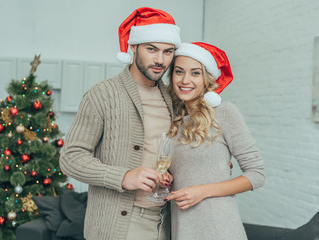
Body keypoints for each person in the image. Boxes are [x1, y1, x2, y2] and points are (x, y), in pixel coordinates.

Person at [59, 7, 181, 240]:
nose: (160, 60)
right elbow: (70, 158)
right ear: (133, 47)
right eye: (151, 49)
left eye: (168, 52)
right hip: (120, 222)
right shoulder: (102, 94)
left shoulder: (172, 98)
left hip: (165, 221)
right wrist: (123, 177)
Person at [164, 42, 265, 240]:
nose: (185, 80)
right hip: (181, 228)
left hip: (219, 228)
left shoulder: (225, 113)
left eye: (195, 73)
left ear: (206, 79)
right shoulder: (172, 119)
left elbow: (257, 175)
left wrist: (202, 191)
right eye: (179, 72)